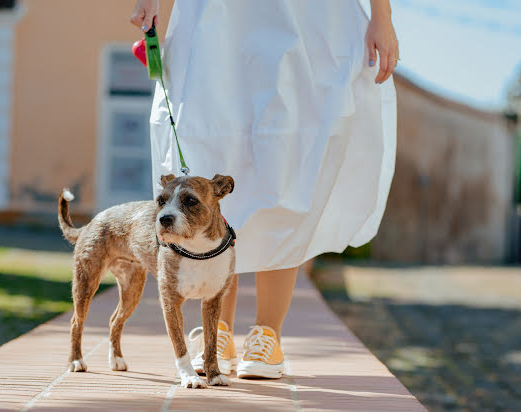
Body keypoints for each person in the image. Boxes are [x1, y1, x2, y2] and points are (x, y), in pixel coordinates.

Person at [131, 0, 398, 379]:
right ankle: (216, 333)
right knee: (207, 149)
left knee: (288, 168)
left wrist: (382, 17)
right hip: (215, 20)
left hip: (306, 20)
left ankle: (267, 334)